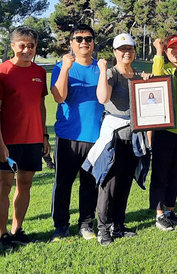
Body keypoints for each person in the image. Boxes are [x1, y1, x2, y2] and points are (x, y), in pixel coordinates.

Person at [0, 26, 50, 249]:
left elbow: (41, 105)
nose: (27, 49)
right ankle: (3, 234)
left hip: (33, 138)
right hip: (9, 141)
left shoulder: (40, 72)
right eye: (22, 45)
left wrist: (44, 135)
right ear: (13, 46)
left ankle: (17, 230)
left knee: (25, 185)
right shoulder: (1, 72)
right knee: (4, 186)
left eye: (31, 45)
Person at [94, 33, 152, 245]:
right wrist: (102, 71)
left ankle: (118, 225)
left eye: (130, 48)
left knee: (126, 181)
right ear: (115, 52)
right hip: (115, 135)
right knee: (109, 183)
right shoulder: (111, 73)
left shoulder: (138, 75)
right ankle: (103, 228)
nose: (126, 52)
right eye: (122, 49)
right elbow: (103, 98)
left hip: (134, 136)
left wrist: (147, 84)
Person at [50, 24, 105, 241]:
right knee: (63, 184)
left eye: (88, 39)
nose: (84, 42)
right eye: (79, 38)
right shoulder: (61, 67)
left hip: (95, 137)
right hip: (68, 137)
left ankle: (86, 224)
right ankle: (61, 226)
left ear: (93, 43)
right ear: (71, 43)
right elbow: (59, 97)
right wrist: (65, 68)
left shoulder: (101, 68)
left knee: (90, 184)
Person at [150, 35, 177, 231]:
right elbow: (156, 79)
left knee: (176, 174)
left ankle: (170, 211)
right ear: (166, 52)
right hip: (164, 130)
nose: (175, 51)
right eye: (171, 49)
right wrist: (158, 52)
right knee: (160, 173)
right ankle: (158, 214)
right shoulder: (163, 69)